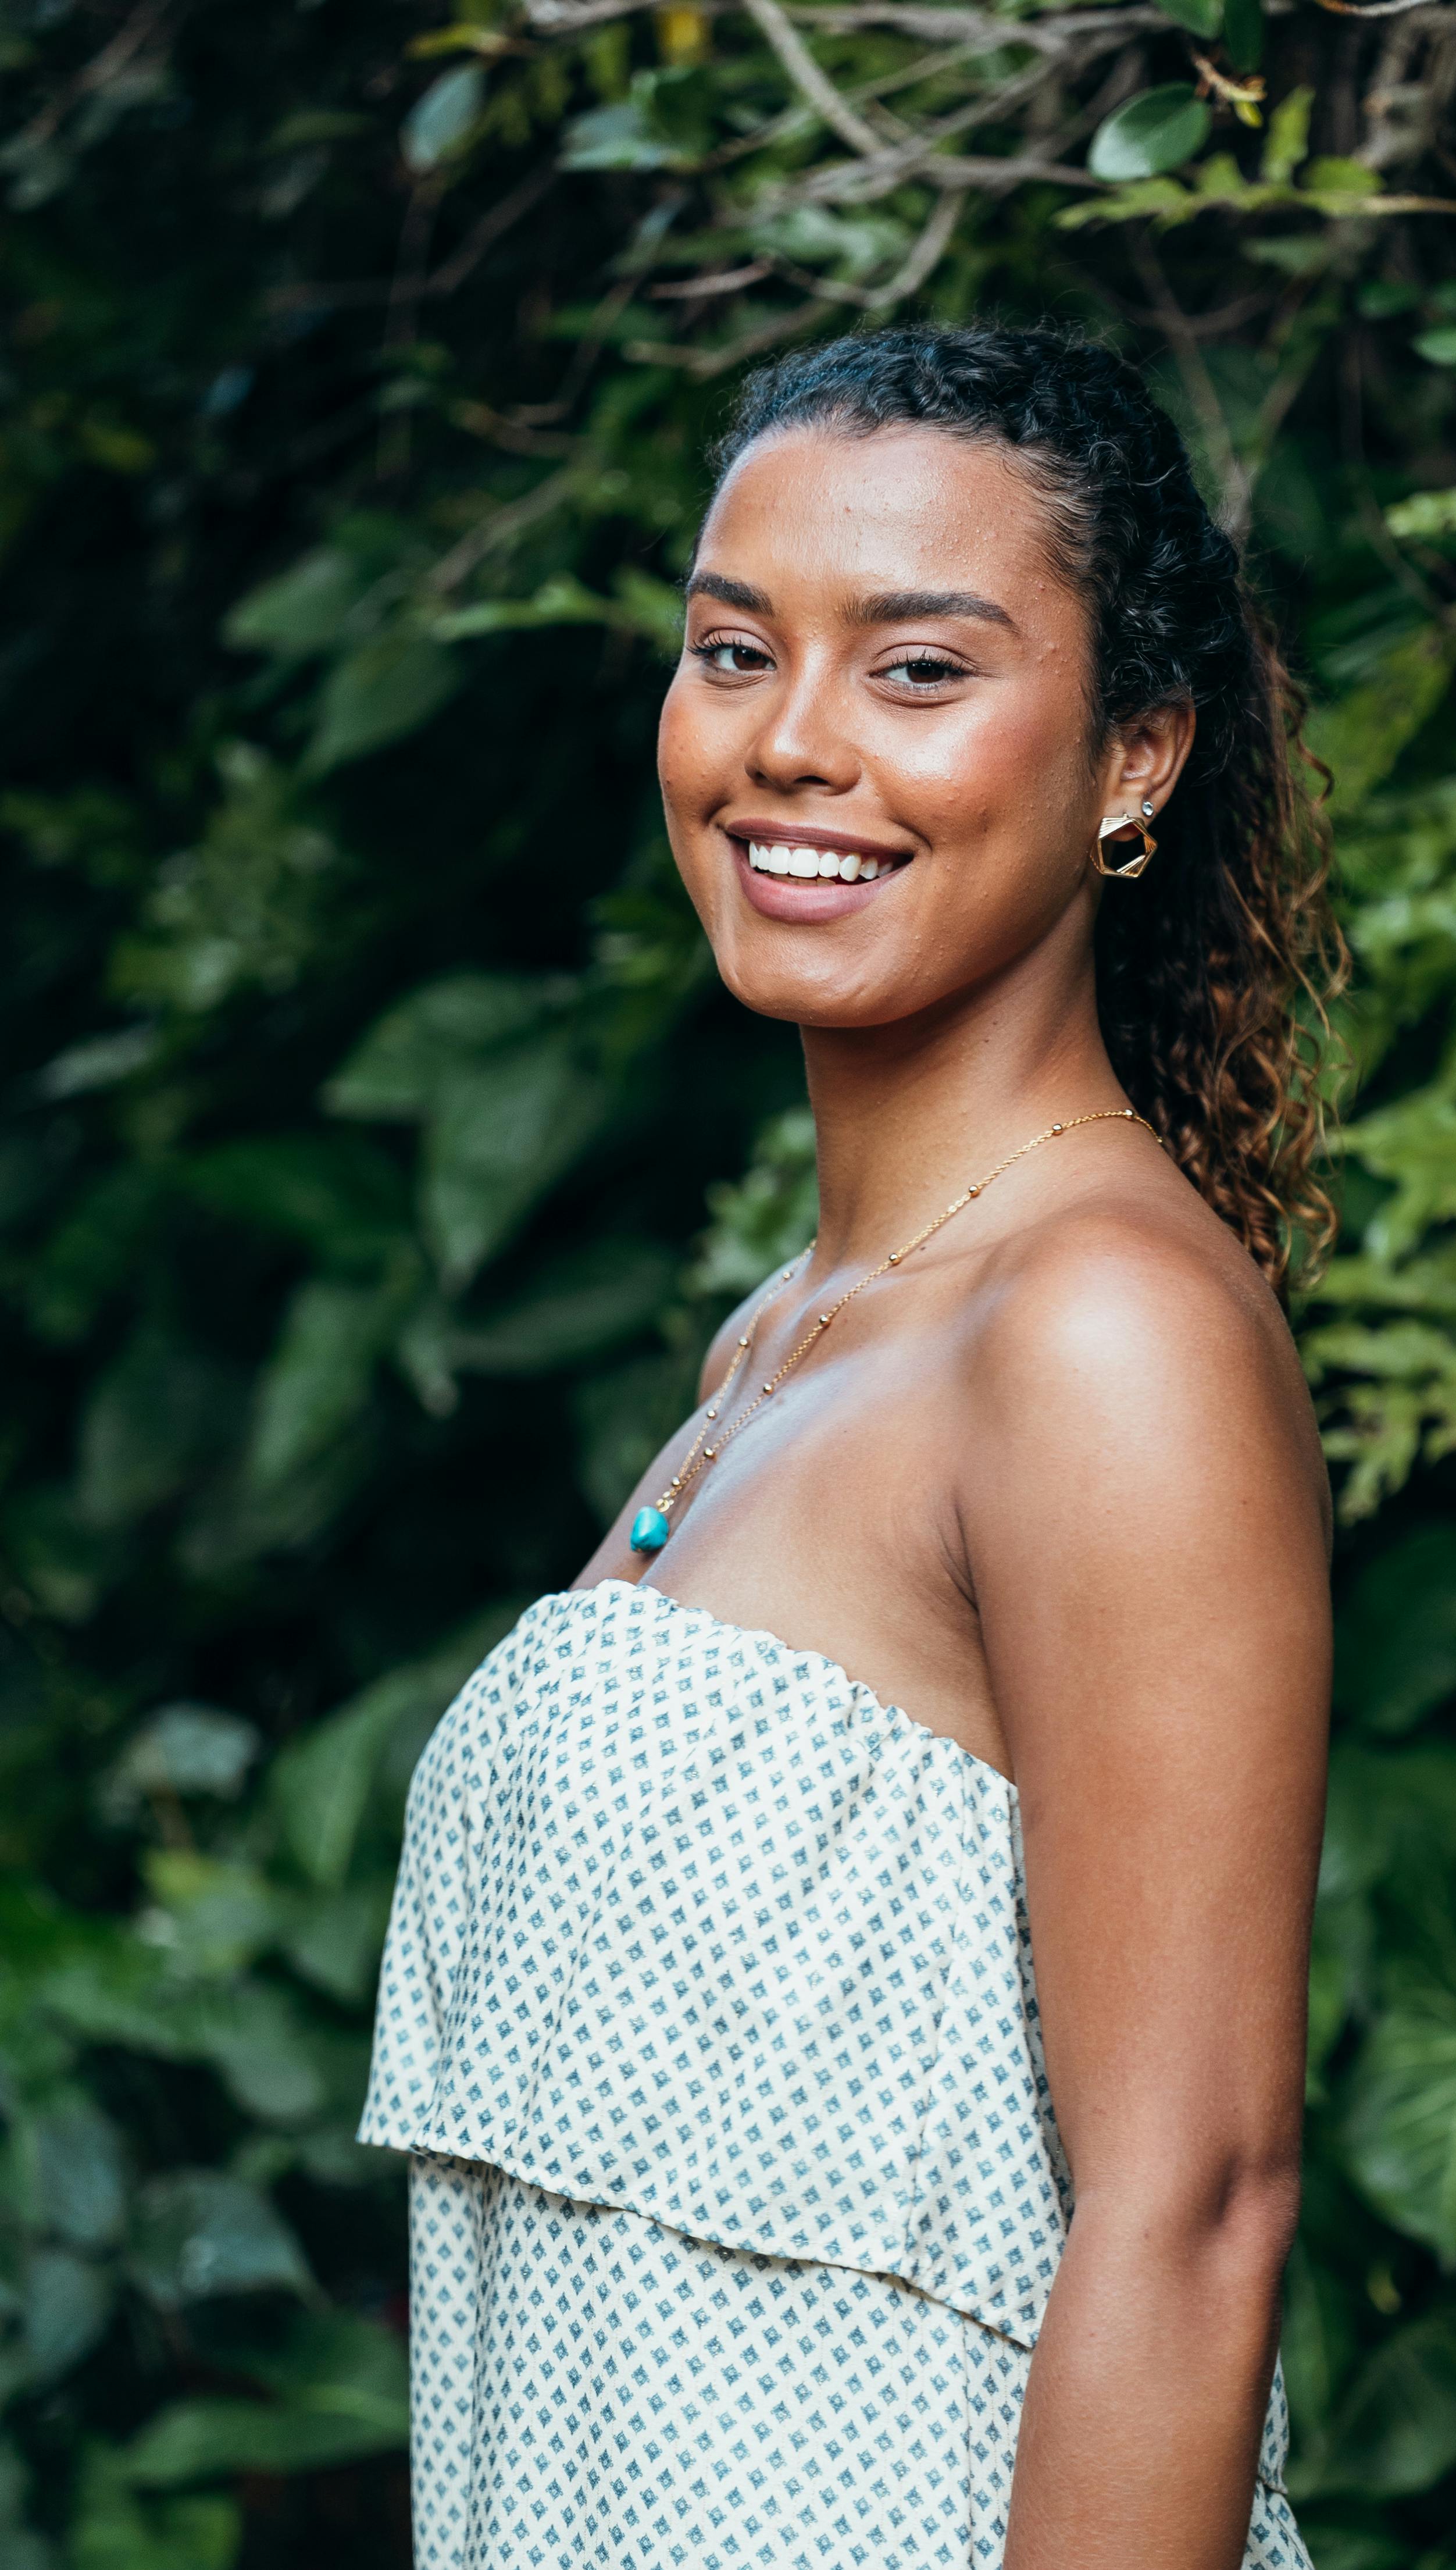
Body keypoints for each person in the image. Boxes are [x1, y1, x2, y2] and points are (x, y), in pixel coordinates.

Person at [361, 323, 1337, 2570]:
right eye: (734, 650)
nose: (791, 744)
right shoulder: (782, 1336)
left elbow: (1191, 2206)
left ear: (1136, 754)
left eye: (917, 669)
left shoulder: (1101, 1333)